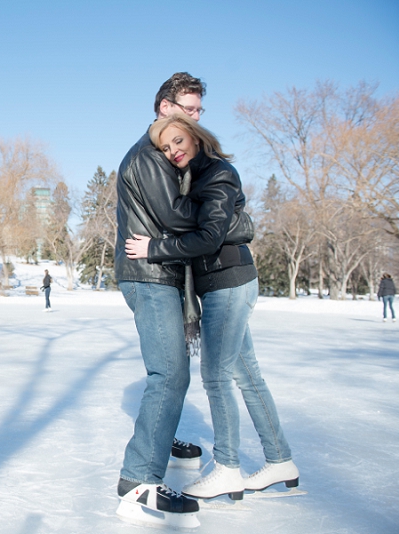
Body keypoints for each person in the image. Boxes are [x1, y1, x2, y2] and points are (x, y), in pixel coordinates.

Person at [126, 114, 298, 501]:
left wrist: (154, 248)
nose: (172, 151)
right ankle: (280, 459)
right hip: (221, 282)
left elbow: (207, 237)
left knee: (217, 376)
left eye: (177, 141)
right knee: (246, 373)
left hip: (228, 281)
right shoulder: (195, 176)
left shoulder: (217, 172)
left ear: (196, 136)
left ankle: (227, 468)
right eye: (166, 148)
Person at [114, 72, 254, 525]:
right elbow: (177, 218)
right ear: (164, 109)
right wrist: (228, 215)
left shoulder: (170, 157)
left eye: (199, 111)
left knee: (173, 373)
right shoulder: (148, 156)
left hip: (165, 274)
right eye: (187, 109)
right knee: (170, 374)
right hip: (149, 274)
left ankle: (162, 439)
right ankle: (139, 482)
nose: (195, 118)